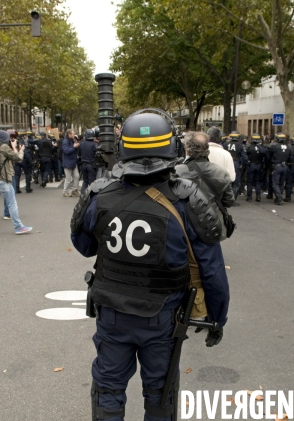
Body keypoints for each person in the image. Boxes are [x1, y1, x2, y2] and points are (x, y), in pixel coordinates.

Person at [71, 110, 229, 421]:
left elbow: (83, 246)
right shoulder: (188, 198)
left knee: (108, 388)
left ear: (123, 147)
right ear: (171, 147)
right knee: (160, 393)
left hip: (112, 313)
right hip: (163, 318)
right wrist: (217, 318)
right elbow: (211, 270)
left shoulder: (99, 192)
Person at [176, 131, 235, 240]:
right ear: (206, 149)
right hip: (212, 226)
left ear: (187, 149)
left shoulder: (177, 172)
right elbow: (229, 201)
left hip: (184, 226)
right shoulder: (221, 172)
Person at [0, 130, 32, 235]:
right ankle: (18, 227)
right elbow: (18, 158)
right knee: (12, 204)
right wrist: (18, 149)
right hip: (2, 179)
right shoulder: (4, 147)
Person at [269, 133, 292, 205]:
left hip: (277, 165)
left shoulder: (274, 146)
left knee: (275, 183)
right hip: (285, 166)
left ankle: (279, 198)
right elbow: (291, 158)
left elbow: (269, 154)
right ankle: (279, 197)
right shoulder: (289, 147)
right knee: (281, 183)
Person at [62, 129, 80, 197]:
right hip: (67, 162)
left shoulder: (72, 140)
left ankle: (74, 190)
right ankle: (65, 191)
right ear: (69, 134)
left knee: (77, 176)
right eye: (73, 134)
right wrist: (74, 147)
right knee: (68, 178)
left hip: (73, 161)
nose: (74, 135)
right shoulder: (65, 141)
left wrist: (76, 146)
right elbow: (66, 150)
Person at [80, 128, 98, 193]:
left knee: (85, 181)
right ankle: (90, 195)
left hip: (83, 164)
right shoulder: (94, 144)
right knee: (91, 182)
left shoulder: (81, 143)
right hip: (91, 165)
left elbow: (79, 154)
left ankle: (82, 194)